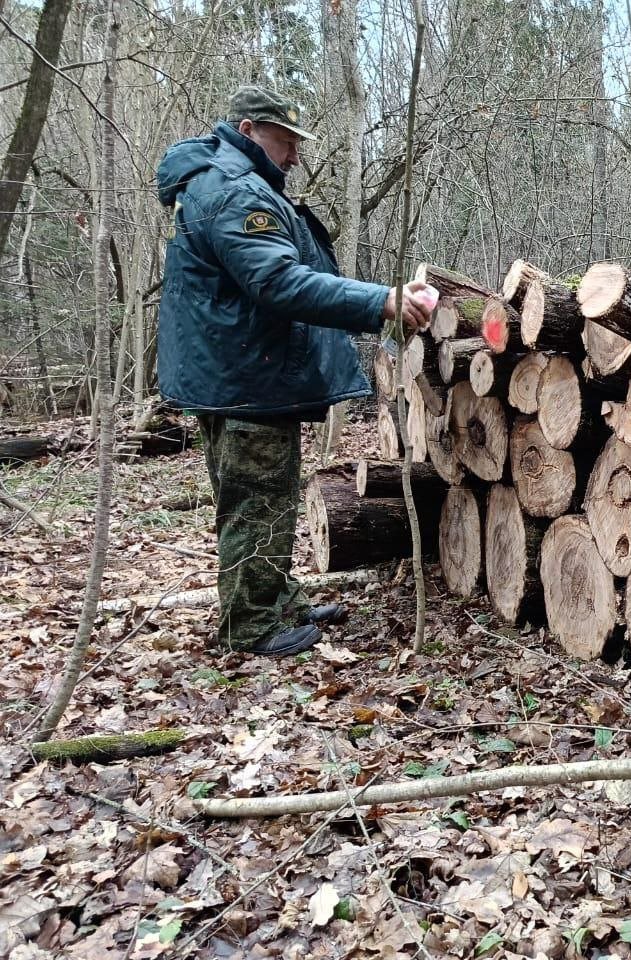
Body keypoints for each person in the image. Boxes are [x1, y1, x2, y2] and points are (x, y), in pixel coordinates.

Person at [155, 84, 436, 657]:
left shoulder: (229, 182)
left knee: (271, 496)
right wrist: (381, 300)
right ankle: (250, 628)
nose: (294, 155)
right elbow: (278, 282)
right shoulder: (234, 191)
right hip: (243, 382)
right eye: (286, 141)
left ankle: (277, 598)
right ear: (250, 129)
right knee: (256, 502)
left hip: (247, 376)